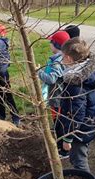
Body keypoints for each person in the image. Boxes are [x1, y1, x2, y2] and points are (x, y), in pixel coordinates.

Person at [57, 37, 95, 172]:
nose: (61, 60)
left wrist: (68, 138)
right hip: (87, 124)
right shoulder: (89, 73)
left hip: (79, 130)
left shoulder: (75, 84)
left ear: (68, 58)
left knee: (79, 160)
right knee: (79, 155)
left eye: (62, 57)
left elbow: (76, 114)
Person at [38, 30, 70, 159]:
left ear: (56, 45)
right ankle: (61, 145)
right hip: (59, 96)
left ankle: (63, 151)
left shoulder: (58, 62)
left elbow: (51, 79)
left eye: (51, 42)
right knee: (59, 121)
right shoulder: (64, 58)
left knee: (59, 123)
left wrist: (38, 71)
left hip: (58, 97)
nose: (49, 45)